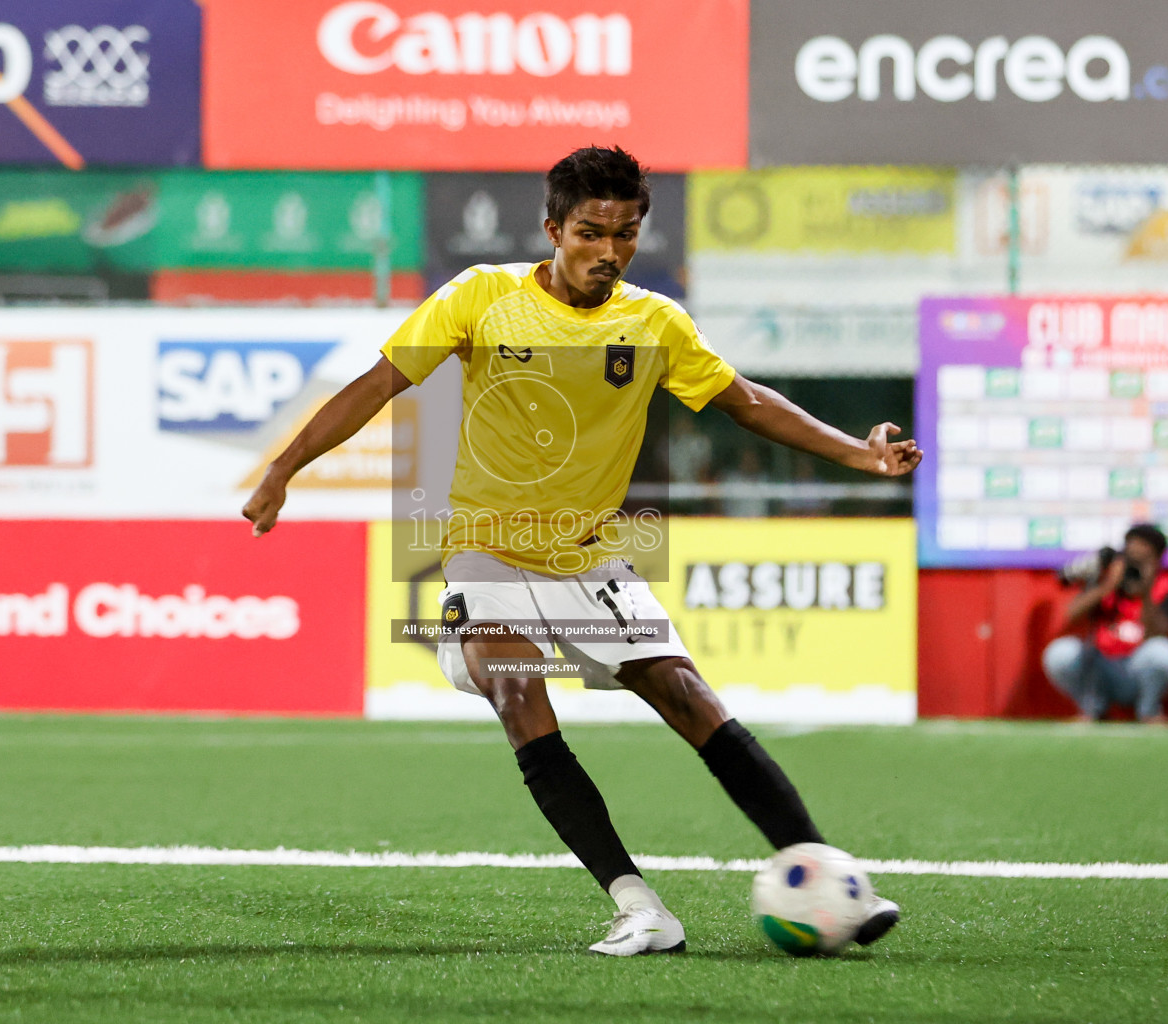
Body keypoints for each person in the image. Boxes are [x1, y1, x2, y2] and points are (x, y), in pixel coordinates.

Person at [241, 146, 922, 956]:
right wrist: (283, 467)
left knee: (687, 695)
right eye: (593, 233)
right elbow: (377, 383)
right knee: (517, 688)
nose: (610, 251)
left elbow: (745, 401)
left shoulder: (656, 321)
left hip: (590, 556)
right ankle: (638, 906)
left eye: (627, 234)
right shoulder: (481, 297)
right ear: (553, 228)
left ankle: (828, 874)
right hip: (486, 550)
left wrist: (857, 453)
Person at [1042, 524, 1168, 724]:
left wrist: (1146, 591)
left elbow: (1160, 634)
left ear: (1157, 559)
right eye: (1130, 555)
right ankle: (1093, 709)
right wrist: (1107, 586)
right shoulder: (1107, 580)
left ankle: (1148, 711)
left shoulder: (1165, 586)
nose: (1134, 564)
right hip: (1101, 668)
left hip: (1137, 668)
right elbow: (1070, 615)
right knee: (1060, 653)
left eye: (1143, 558)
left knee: (1164, 652)